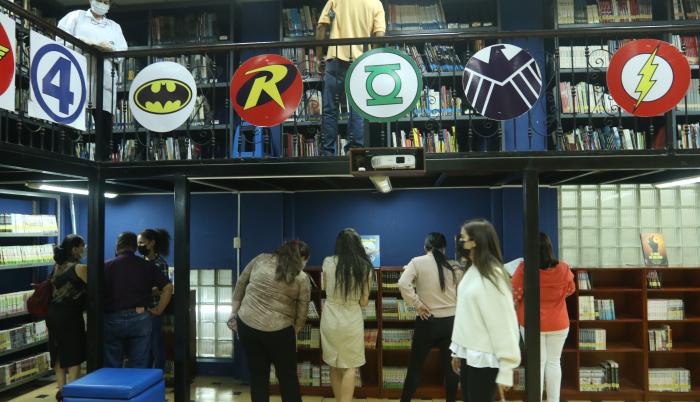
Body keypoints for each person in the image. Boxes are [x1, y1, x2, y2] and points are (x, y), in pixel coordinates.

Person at [227, 240, 311, 402]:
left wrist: (234, 311)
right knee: (287, 377)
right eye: (305, 260)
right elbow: (302, 312)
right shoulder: (301, 278)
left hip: (248, 326)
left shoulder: (260, 260)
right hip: (279, 331)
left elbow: (241, 282)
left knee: (258, 376)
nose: (305, 264)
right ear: (301, 258)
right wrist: (294, 332)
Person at [450, 219, 520, 402]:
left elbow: (504, 323)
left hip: (485, 357)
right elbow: (465, 315)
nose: (460, 242)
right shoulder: (473, 270)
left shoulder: (492, 274)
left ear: (475, 242)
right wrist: (458, 351)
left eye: (463, 238)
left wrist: (507, 368)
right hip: (469, 354)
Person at [315, 0, 386, 155]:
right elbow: (379, 35)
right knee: (357, 109)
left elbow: (321, 27)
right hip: (360, 62)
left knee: (330, 110)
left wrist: (319, 57)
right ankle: (355, 151)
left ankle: (328, 153)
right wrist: (370, 58)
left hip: (335, 60)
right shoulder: (375, 3)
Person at [398, 232, 462, 402]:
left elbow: (403, 283)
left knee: (415, 367)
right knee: (451, 369)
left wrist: (417, 304)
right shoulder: (454, 265)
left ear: (425, 247)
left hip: (427, 321)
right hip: (451, 322)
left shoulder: (417, 262)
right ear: (444, 248)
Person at [512, 232, 575, 402]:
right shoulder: (563, 268)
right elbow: (570, 289)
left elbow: (515, 294)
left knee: (537, 364)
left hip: (532, 323)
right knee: (554, 362)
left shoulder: (524, 269)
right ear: (549, 248)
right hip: (559, 322)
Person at [58, 0, 127, 145]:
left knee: (104, 129)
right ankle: (70, 152)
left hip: (104, 81)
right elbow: (60, 40)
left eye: (105, 1)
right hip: (77, 76)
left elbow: (122, 53)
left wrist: (110, 49)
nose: (102, 4)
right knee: (70, 125)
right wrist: (81, 43)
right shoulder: (75, 17)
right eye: (99, 0)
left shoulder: (114, 27)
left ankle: (103, 155)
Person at [103, 231, 172, 368]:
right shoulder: (147, 265)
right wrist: (159, 310)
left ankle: (114, 381)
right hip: (140, 315)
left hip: (112, 317)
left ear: (117, 246)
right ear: (135, 247)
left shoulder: (106, 266)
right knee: (139, 363)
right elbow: (168, 287)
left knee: (112, 363)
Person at [320, 228, 373, 402]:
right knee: (350, 367)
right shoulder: (364, 266)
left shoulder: (328, 262)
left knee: (333, 365)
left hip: (330, 317)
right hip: (351, 319)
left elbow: (324, 287)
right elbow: (364, 301)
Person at [46, 235, 88, 402]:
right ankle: (73, 393)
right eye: (82, 246)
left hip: (53, 314)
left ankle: (62, 391)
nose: (84, 249)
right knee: (73, 353)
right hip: (70, 315)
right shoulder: (80, 268)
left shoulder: (57, 266)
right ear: (74, 248)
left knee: (58, 352)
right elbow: (95, 288)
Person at [137, 228, 171, 370]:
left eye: (142, 242)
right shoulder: (139, 262)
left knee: (156, 344)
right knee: (145, 346)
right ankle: (146, 375)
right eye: (138, 243)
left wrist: (148, 291)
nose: (139, 246)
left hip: (154, 310)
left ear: (151, 243)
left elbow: (163, 289)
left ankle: (158, 373)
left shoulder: (160, 263)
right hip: (140, 310)